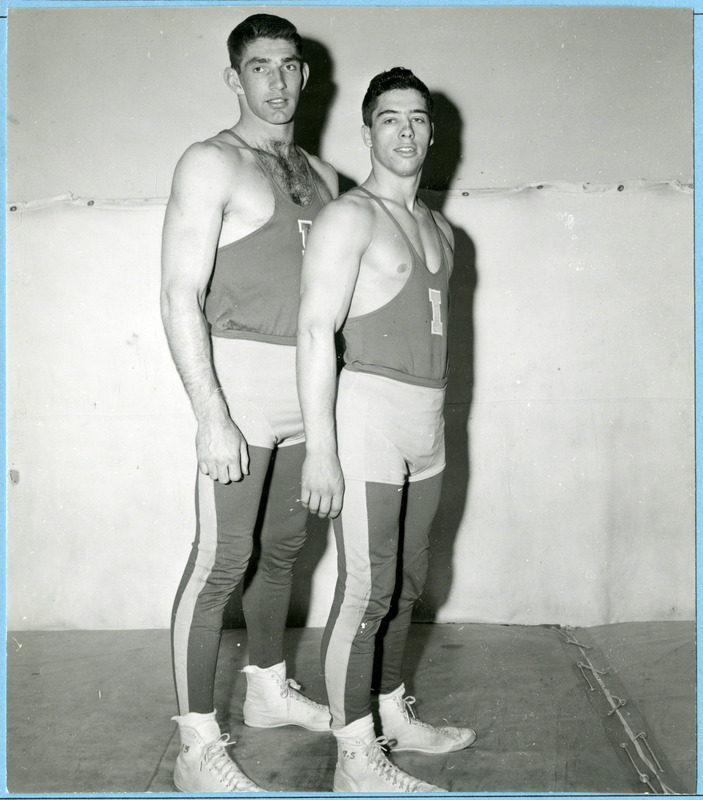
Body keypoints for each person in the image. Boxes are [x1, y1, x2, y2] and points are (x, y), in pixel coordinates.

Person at [160, 13, 338, 794]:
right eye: (260, 66)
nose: (277, 80)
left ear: (305, 75)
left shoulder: (325, 177)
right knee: (221, 561)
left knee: (285, 551)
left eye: (289, 65)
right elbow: (176, 293)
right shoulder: (211, 162)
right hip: (240, 384)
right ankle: (197, 744)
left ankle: (266, 692)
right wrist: (211, 412)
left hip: (308, 388)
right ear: (235, 78)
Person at [297, 67, 475, 793]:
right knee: (365, 589)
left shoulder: (443, 228)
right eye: (389, 118)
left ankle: (389, 709)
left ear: (432, 131)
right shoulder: (351, 217)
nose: (406, 131)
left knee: (408, 582)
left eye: (417, 118)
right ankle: (352, 755)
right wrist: (320, 449)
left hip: (426, 419)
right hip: (366, 411)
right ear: (367, 131)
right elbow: (314, 330)